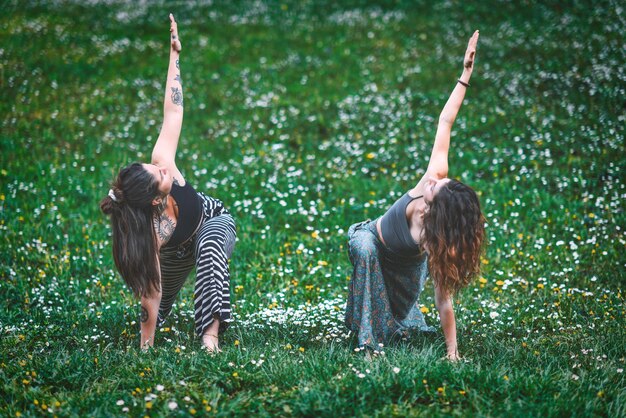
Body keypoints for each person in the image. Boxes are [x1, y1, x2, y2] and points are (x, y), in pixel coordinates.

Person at [345, 31, 484, 360]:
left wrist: (452, 351)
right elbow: (446, 120)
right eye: (443, 181)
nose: (437, 181)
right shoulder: (431, 179)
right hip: (372, 241)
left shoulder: (437, 242)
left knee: (400, 328)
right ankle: (367, 345)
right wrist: (465, 75)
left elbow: (443, 299)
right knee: (364, 249)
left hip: (406, 271)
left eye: (440, 189)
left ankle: (385, 327)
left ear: (441, 215)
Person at [100, 15, 236, 353]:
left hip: (211, 219)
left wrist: (174, 56)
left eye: (154, 167)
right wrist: (146, 348)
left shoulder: (163, 162)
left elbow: (172, 112)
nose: (162, 169)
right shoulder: (150, 232)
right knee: (159, 309)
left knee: (210, 248)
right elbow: (152, 289)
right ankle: (156, 333)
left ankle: (209, 336)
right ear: (150, 200)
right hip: (174, 251)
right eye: (158, 175)